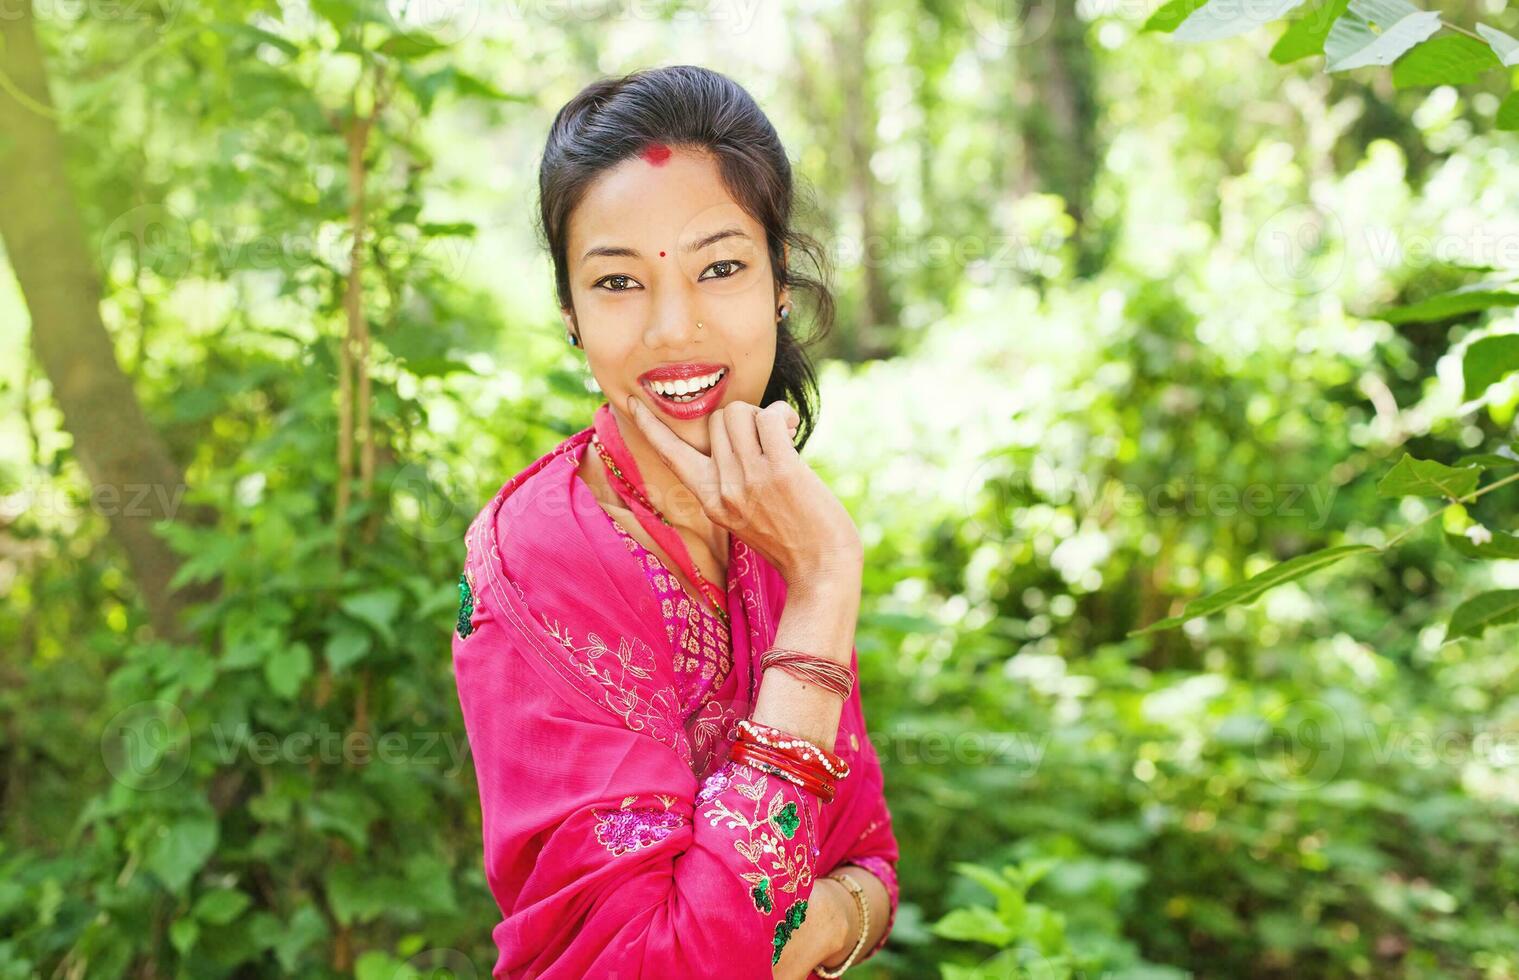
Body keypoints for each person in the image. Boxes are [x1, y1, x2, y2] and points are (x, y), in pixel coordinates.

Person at [450, 64, 899, 979]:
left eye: (721, 267)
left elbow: (872, 859)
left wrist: (809, 920)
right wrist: (821, 589)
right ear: (570, 314)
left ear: (780, 280)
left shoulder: (775, 511)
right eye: (618, 283)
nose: (672, 329)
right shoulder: (546, 558)